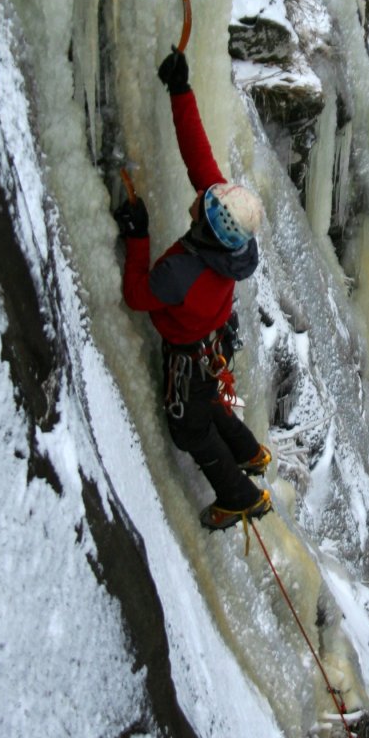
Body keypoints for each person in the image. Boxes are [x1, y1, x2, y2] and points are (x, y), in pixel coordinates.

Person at [115, 47, 272, 532]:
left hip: (188, 357)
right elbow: (197, 154)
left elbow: (137, 295)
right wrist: (180, 90)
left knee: (190, 428)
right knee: (209, 402)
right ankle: (250, 452)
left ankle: (240, 497)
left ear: (207, 228)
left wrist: (138, 238)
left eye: (201, 209)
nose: (196, 203)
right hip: (213, 343)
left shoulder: (180, 272)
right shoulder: (228, 242)